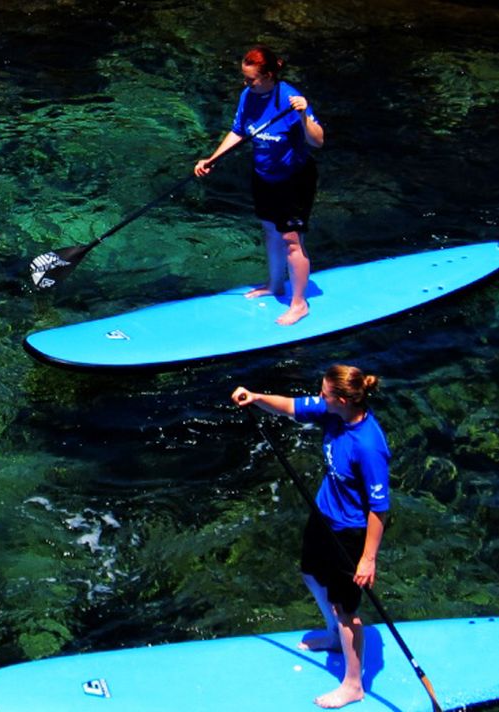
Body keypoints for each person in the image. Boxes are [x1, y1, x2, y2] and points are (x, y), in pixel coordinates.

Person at [232, 364, 390, 709]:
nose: (319, 397)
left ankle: (353, 684)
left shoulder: (368, 445)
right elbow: (289, 406)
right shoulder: (332, 412)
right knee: (309, 574)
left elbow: (380, 508)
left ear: (344, 399)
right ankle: (334, 636)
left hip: (350, 532)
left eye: (324, 393)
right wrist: (256, 398)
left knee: (347, 609)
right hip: (324, 515)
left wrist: (368, 557)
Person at [195, 45, 325, 326]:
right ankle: (275, 285)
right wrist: (213, 159)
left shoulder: (290, 98)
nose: (246, 83)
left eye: (251, 78)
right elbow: (239, 131)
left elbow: (317, 141)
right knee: (269, 231)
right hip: (264, 174)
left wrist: (303, 116)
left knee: (292, 240)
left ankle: (299, 304)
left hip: (294, 179)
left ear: (267, 76)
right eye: (245, 78)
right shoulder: (248, 96)